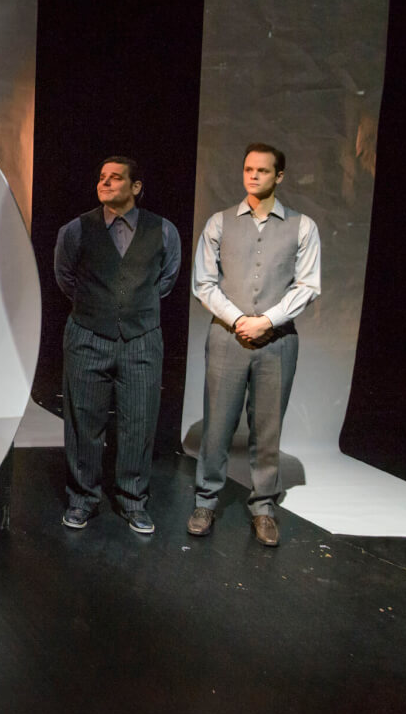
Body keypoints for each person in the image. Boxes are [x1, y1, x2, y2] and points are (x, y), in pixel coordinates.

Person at [189, 142, 320, 547]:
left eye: (263, 171)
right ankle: (206, 500)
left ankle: (263, 506)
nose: (253, 176)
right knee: (218, 424)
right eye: (249, 169)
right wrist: (240, 320)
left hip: (278, 341)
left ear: (279, 176)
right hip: (227, 337)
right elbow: (204, 282)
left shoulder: (302, 226)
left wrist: (266, 321)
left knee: (267, 428)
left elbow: (308, 284)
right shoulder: (219, 222)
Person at [53, 156, 182, 534]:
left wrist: (132, 307)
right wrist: (100, 307)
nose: (105, 183)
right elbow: (65, 276)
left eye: (115, 178)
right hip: (88, 334)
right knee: (83, 421)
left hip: (142, 338)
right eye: (101, 178)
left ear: (136, 186)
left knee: (138, 421)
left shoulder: (163, 231)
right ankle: (82, 499)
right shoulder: (76, 230)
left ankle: (133, 501)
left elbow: (167, 279)